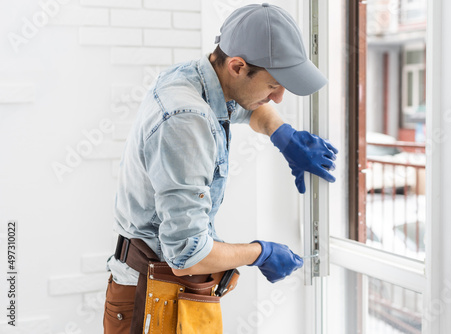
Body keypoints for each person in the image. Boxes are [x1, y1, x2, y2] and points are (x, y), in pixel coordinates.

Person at [103, 3, 337, 333]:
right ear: (238, 66)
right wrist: (261, 253)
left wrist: (285, 136)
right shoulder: (185, 120)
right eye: (273, 86)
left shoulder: (198, 78)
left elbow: (245, 109)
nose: (280, 97)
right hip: (151, 301)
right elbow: (189, 256)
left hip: (171, 292)